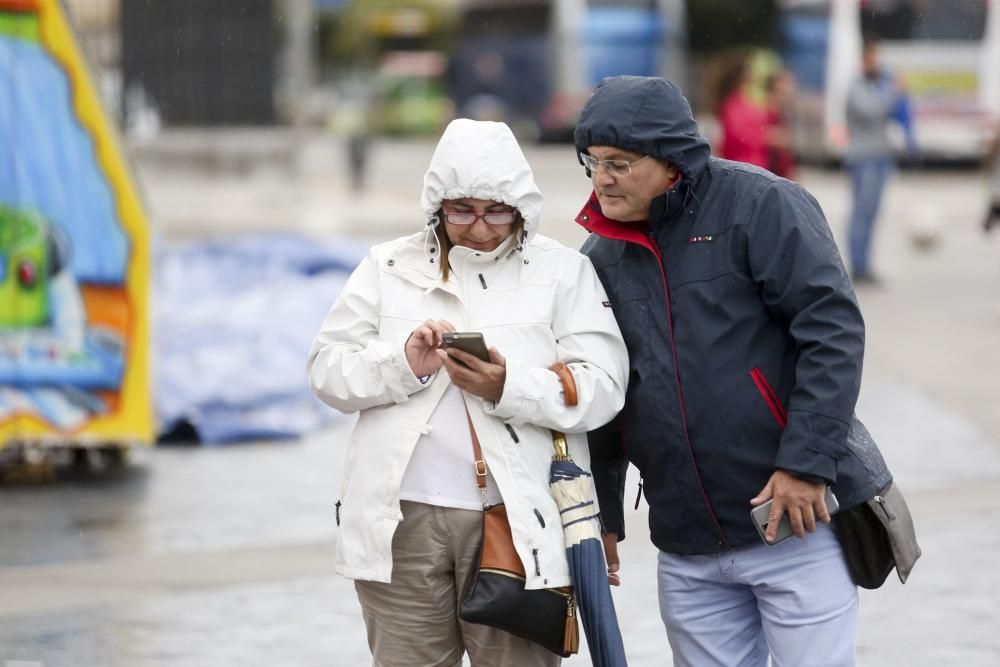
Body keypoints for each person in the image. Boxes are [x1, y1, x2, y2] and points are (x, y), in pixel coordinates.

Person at [573, 75, 893, 667]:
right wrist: (605, 513)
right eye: (591, 161)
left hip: (796, 521)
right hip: (687, 545)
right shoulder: (599, 258)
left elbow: (832, 333)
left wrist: (804, 464)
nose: (601, 178)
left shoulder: (763, 206)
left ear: (671, 161)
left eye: (618, 162)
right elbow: (603, 391)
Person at [307, 118, 628, 667]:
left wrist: (510, 386)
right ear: (436, 207)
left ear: (521, 206)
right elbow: (327, 372)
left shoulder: (563, 271)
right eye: (461, 210)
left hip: (518, 518)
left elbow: (604, 385)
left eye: (496, 210)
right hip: (399, 522)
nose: (479, 227)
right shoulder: (387, 267)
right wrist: (404, 362)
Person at [845, 37, 909, 284]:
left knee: (872, 213)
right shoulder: (856, 88)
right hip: (864, 159)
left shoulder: (879, 85)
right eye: (872, 59)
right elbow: (873, 111)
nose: (877, 64)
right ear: (863, 62)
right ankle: (857, 265)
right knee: (861, 212)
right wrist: (895, 92)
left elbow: (894, 113)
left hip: (881, 157)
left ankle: (865, 264)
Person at [715, 55, 770, 169]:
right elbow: (738, 135)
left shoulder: (743, 100)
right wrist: (768, 137)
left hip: (753, 165)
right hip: (743, 166)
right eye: (749, 70)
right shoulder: (733, 104)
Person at [765, 69, 797, 180]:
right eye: (787, 83)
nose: (792, 87)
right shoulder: (769, 109)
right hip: (769, 171)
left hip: (780, 172)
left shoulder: (783, 110)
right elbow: (762, 135)